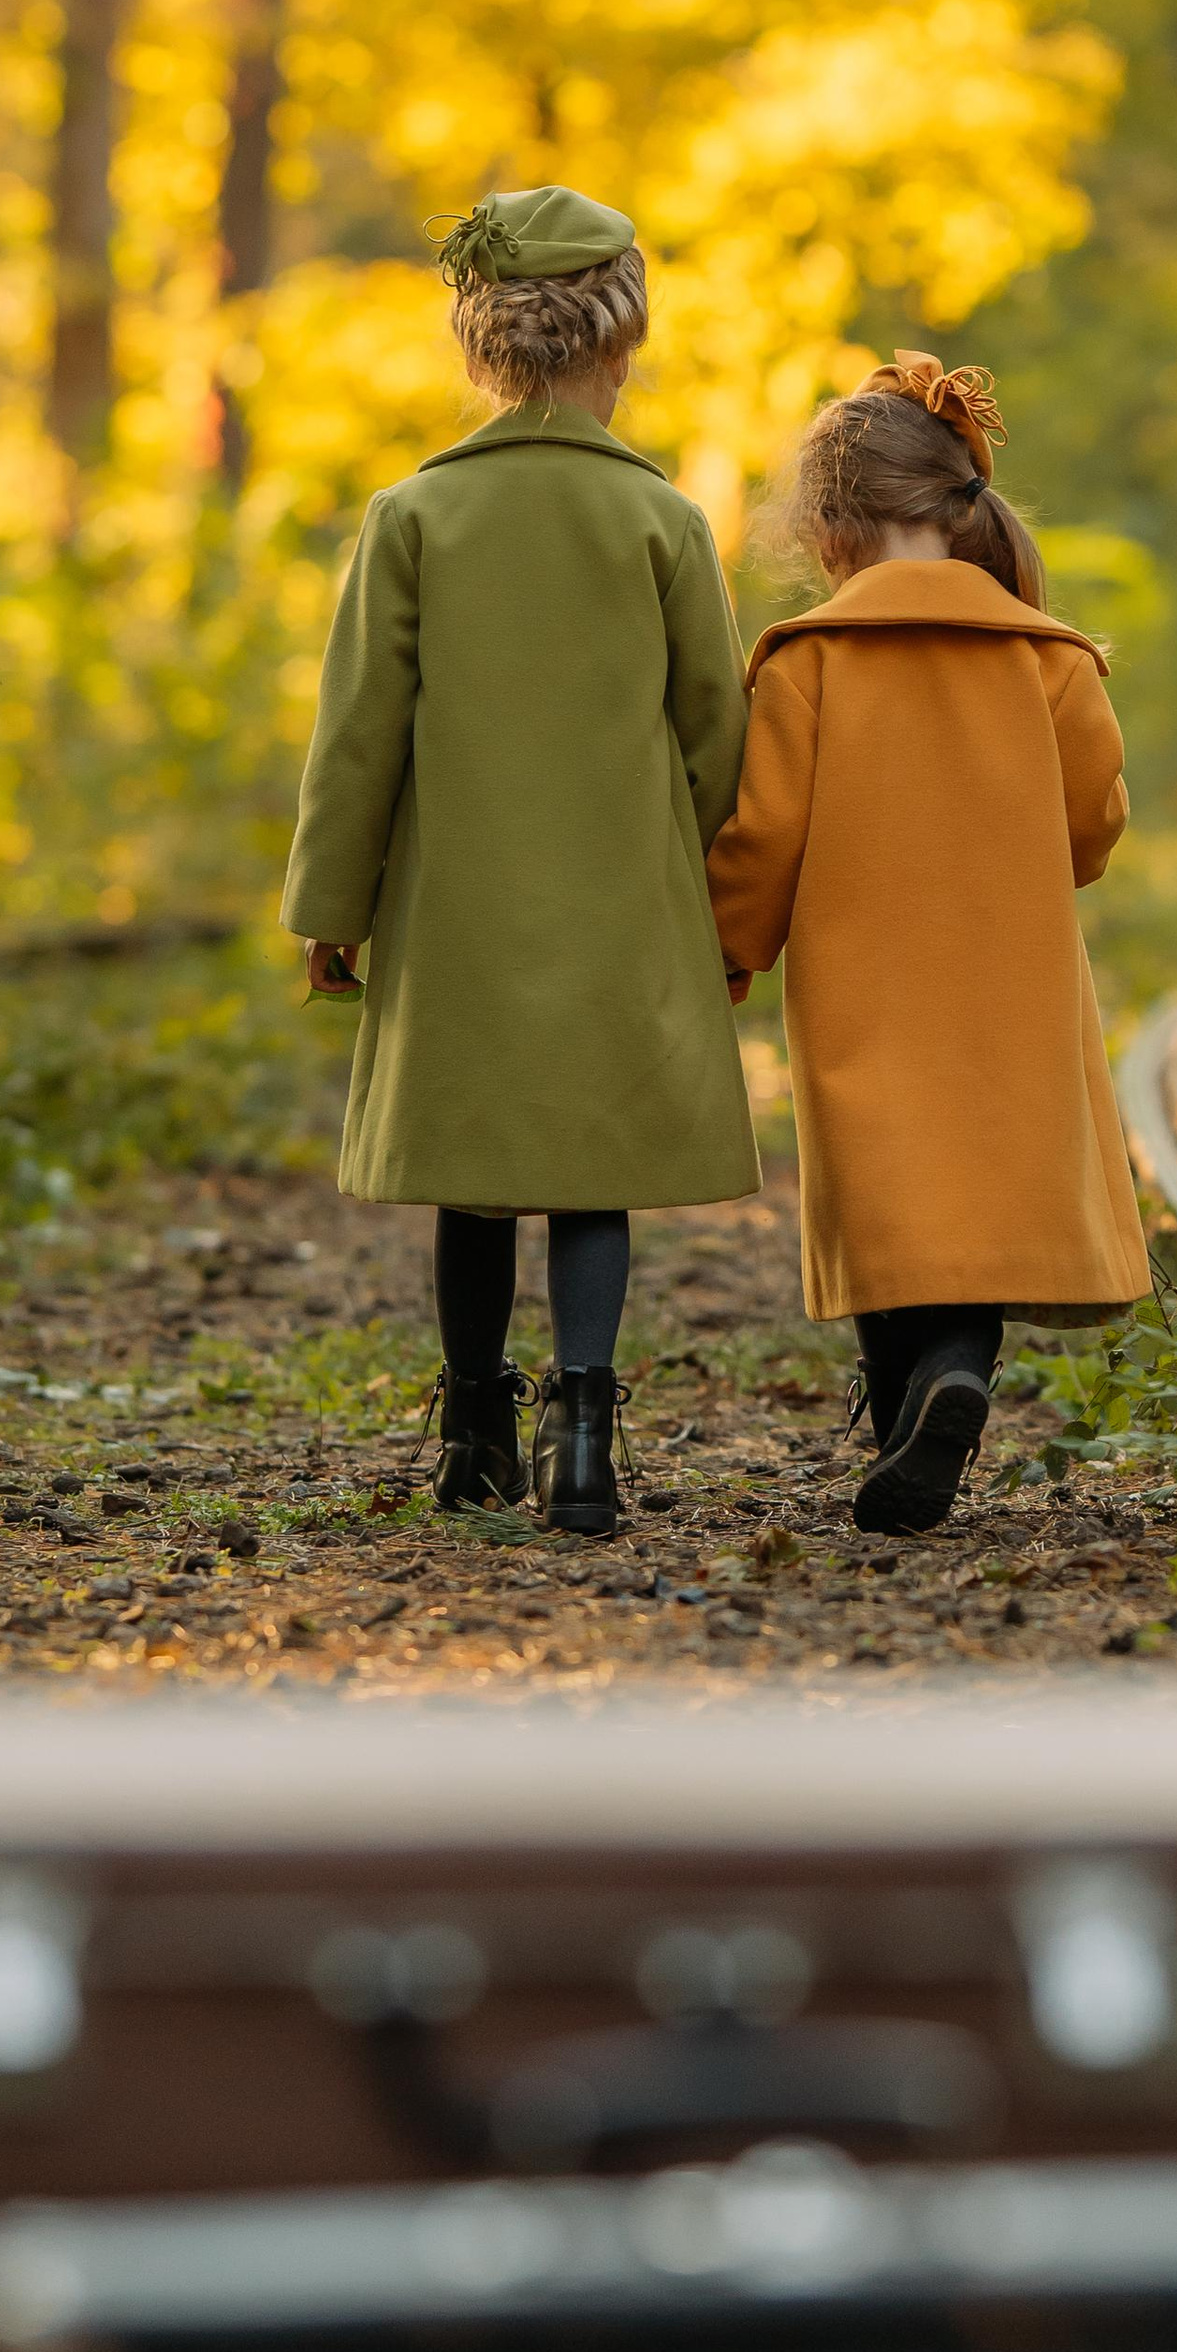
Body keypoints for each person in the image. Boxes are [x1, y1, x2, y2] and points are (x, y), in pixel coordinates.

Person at [283, 185, 757, 1536]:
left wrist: (333, 902)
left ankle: (475, 1426)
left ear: (478, 345)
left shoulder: (414, 516)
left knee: (475, 1161)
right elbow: (717, 733)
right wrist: (725, 912)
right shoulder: (661, 523)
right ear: (622, 343)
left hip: (459, 910)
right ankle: (587, 1431)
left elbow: (358, 732)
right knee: (588, 1166)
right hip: (621, 907)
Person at [707, 352, 1148, 1535]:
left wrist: (730, 944)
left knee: (886, 1185)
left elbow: (765, 837)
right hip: (1008, 980)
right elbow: (1092, 824)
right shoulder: (1047, 655)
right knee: (983, 1187)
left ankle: (908, 1396)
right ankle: (958, 1373)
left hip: (862, 982)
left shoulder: (808, 661)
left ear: (832, 526)